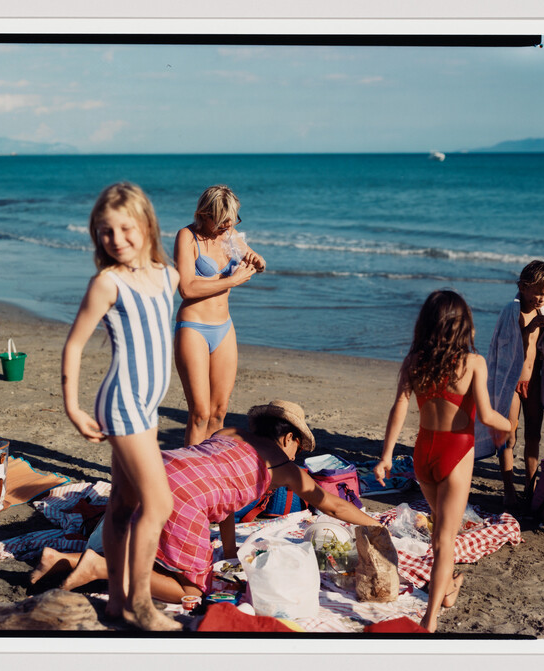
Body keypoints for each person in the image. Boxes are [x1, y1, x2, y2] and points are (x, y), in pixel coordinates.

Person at [31, 400, 381, 603]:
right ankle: (100, 568)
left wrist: (229, 552)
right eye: (297, 447)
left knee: (154, 549)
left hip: (150, 467)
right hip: (182, 495)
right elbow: (332, 505)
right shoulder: (282, 466)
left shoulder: (229, 433)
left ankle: (62, 559)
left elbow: (223, 501)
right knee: (193, 590)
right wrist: (375, 525)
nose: (296, 455)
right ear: (288, 437)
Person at [61, 182, 181, 631]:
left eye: (125, 228)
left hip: (147, 406)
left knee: (123, 505)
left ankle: (115, 602)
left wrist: (237, 266)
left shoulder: (166, 277)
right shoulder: (107, 283)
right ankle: (142, 605)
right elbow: (74, 345)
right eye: (105, 232)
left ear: (146, 225)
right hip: (123, 402)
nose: (117, 239)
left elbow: (198, 283)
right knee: (159, 504)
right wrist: (74, 408)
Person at [373, 290, 511, 633]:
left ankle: (448, 587)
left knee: (440, 531)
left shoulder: (415, 360)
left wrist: (386, 456)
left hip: (424, 454)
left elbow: (400, 407)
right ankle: (430, 619)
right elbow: (489, 416)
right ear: (463, 326)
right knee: (443, 540)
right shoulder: (472, 363)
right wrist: (511, 425)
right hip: (455, 454)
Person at [173, 185, 266, 447]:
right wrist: (232, 282)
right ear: (205, 214)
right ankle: (190, 475)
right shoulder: (187, 237)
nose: (229, 224)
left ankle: (212, 474)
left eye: (233, 219)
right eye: (223, 219)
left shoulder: (230, 234)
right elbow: (186, 288)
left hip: (224, 327)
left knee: (219, 412)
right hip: (193, 328)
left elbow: (259, 264)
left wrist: (258, 261)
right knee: (200, 414)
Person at [474, 261, 544, 508]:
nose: (542, 298)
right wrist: (529, 328)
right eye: (537, 292)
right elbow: (508, 341)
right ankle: (508, 488)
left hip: (535, 380)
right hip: (513, 381)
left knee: (533, 435)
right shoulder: (512, 310)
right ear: (522, 287)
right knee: (508, 434)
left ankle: (531, 485)